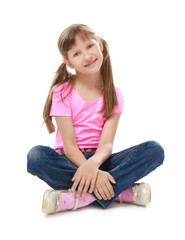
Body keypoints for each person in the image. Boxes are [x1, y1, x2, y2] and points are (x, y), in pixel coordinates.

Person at [27, 23, 165, 215]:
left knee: (154, 150)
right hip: (70, 161)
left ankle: (82, 198)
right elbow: (69, 146)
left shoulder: (114, 95)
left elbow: (107, 144)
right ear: (68, 62)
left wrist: (94, 165)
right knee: (36, 157)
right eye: (77, 54)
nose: (87, 55)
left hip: (102, 161)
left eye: (90, 46)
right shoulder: (62, 92)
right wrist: (88, 167)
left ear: (99, 44)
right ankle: (120, 191)